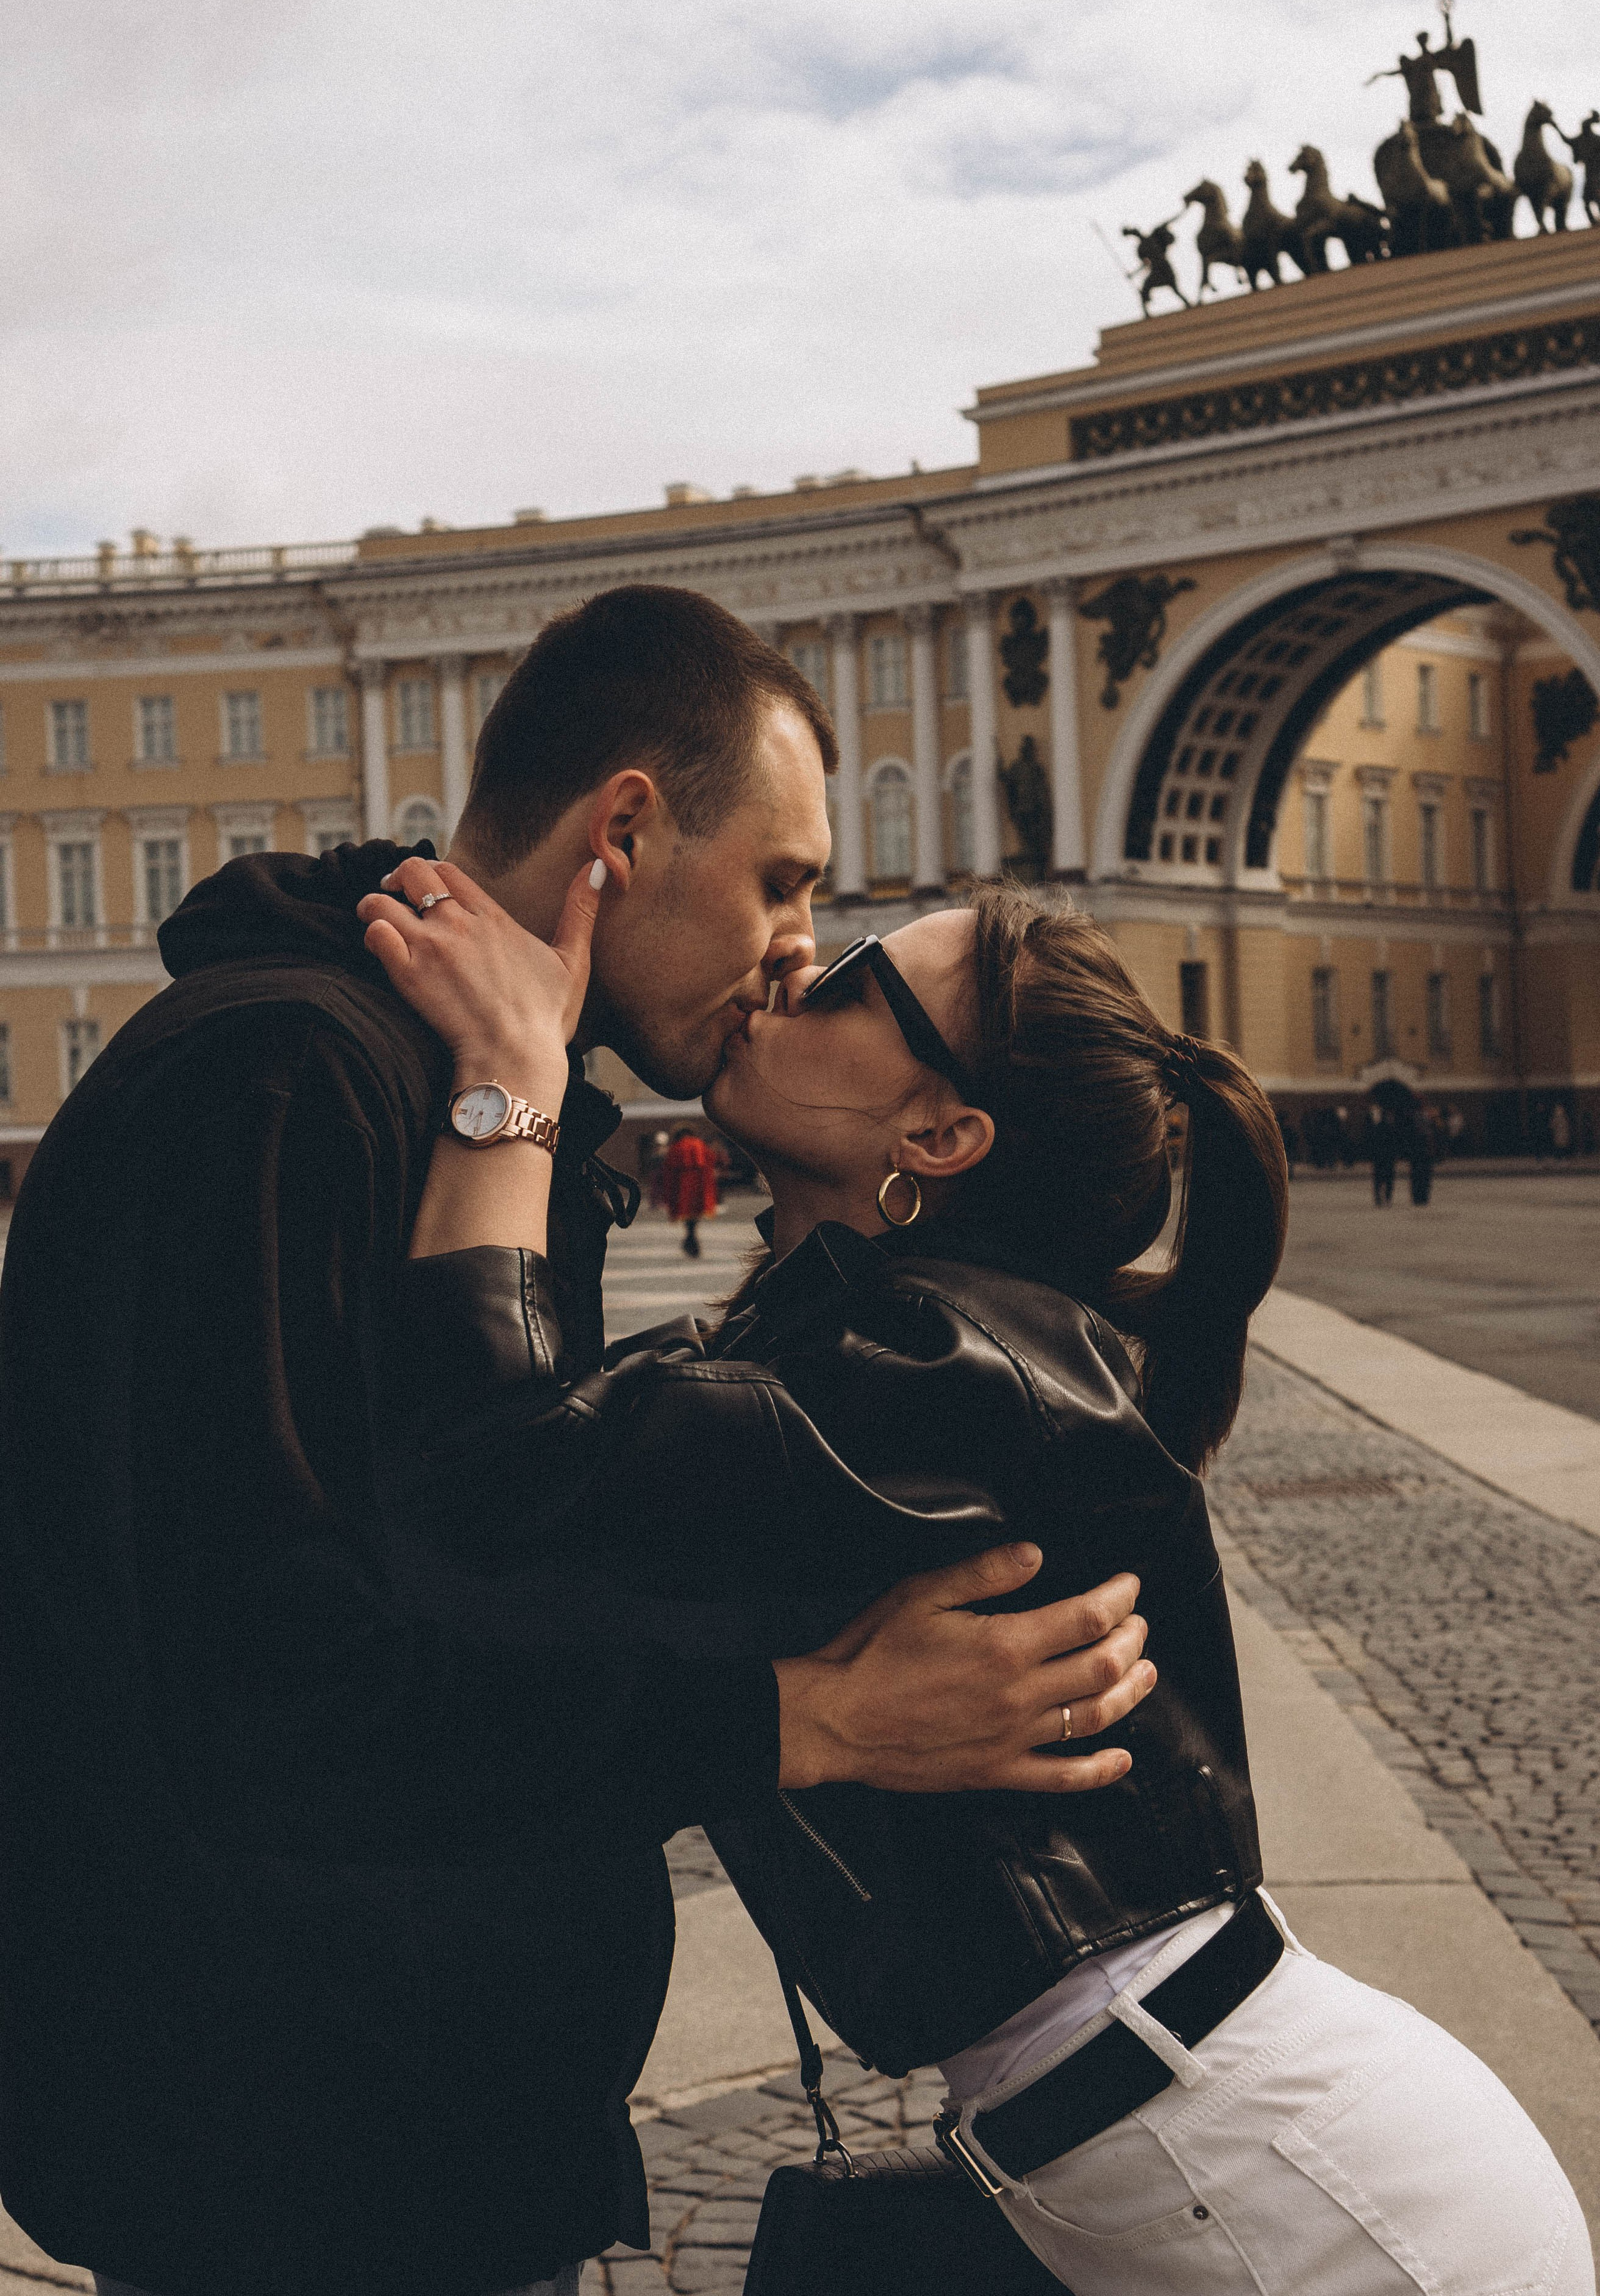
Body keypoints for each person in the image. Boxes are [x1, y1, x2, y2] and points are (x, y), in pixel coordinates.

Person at [0, 586, 1154, 2296]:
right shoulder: (293, 1085)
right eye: (785, 880)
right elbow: (272, 1683)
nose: (797, 942)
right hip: (299, 2161)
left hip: (414, 2134)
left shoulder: (455, 1088)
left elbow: (498, 1561)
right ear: (625, 828)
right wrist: (795, 1719)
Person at [361, 856, 1592, 2296]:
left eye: (852, 975)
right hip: (1235, 2142)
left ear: (939, 1129)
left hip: (1304, 2201)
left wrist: (509, 1081)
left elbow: (491, 1484)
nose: (791, 965)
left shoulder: (929, 1370)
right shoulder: (908, 1347)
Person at [659, 1119, 720, 1256]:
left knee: (688, 1218)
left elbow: (669, 1170)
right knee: (695, 1217)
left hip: (683, 1188)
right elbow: (711, 1162)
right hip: (700, 1187)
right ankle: (691, 1241)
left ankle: (690, 1240)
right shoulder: (701, 1145)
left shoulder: (676, 1147)